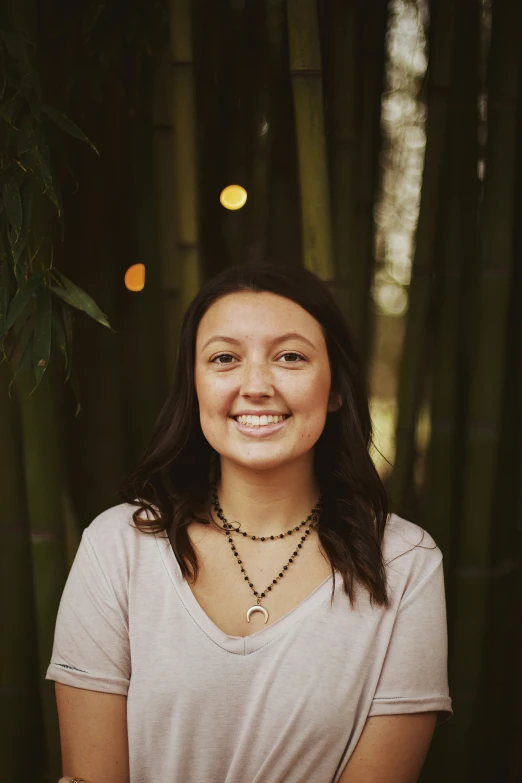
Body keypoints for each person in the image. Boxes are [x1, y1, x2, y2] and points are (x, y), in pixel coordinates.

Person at [47, 262, 452, 783]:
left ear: (336, 390)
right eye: (224, 358)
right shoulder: (117, 548)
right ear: (193, 387)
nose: (256, 385)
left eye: (289, 357)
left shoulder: (404, 563)